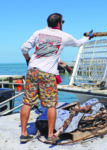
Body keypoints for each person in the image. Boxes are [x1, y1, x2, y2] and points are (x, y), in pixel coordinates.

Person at [20, 13, 92, 144]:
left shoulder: (38, 32)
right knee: (51, 105)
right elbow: (79, 43)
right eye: (62, 22)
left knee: (27, 102)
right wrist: (87, 37)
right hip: (48, 73)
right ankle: (50, 135)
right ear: (59, 23)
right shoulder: (64, 36)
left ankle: (24, 134)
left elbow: (24, 48)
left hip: (32, 70)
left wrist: (28, 59)